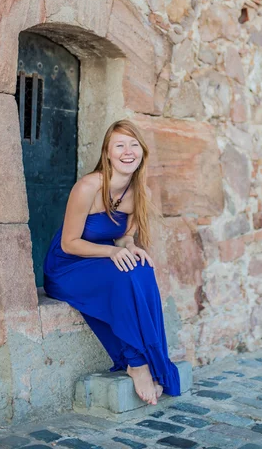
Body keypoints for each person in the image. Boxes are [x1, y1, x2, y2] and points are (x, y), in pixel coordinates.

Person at [43, 119, 181, 405]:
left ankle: (155, 360)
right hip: (67, 265)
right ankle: (135, 362)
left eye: (133, 144)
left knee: (142, 269)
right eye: (120, 145)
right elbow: (70, 243)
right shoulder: (89, 187)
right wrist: (112, 253)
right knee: (122, 276)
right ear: (107, 152)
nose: (127, 151)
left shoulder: (139, 191)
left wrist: (130, 247)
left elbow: (123, 238)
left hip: (102, 260)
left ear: (142, 151)